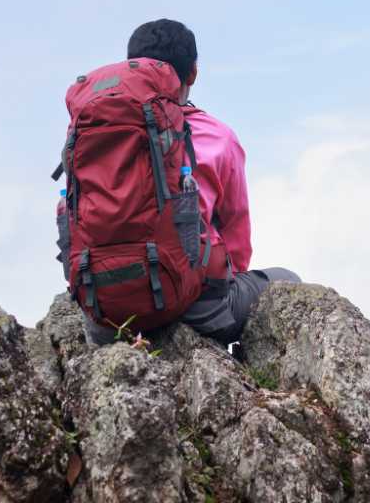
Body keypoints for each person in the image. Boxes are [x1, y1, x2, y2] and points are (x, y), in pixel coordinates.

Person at [82, 19, 300, 346]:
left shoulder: (94, 133)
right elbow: (236, 241)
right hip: (197, 308)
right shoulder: (219, 137)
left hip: (107, 315)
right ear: (193, 72)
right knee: (289, 283)